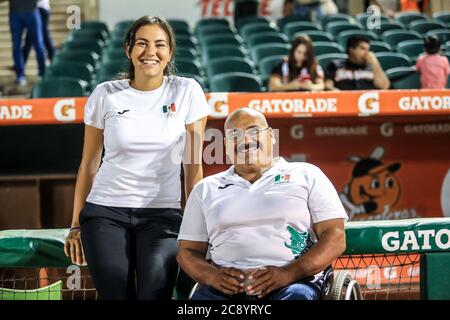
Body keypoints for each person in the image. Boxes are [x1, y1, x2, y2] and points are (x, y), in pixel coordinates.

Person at [64, 16, 211, 300]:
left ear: (169, 52)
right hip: (105, 212)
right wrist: (75, 224)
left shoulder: (188, 91)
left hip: (162, 216)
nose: (150, 52)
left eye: (159, 44)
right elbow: (89, 164)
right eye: (141, 44)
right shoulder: (105, 94)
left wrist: (198, 226)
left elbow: (193, 166)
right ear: (128, 49)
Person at [177, 108, 348, 300]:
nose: (245, 140)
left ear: (270, 136)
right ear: (225, 144)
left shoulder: (307, 174)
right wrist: (212, 276)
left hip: (294, 283)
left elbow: (335, 236)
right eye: (235, 134)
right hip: (226, 290)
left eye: (253, 131)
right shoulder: (205, 189)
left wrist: (288, 273)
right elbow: (187, 252)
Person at [3, 0, 46, 86]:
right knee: (16, 46)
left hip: (32, 11)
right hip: (15, 13)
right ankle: (20, 76)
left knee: (39, 45)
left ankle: (43, 74)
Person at [325, 35, 390, 90]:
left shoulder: (372, 68)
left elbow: (384, 87)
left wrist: (375, 63)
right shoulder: (335, 65)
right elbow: (328, 85)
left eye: (368, 49)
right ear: (352, 49)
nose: (367, 53)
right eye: (363, 48)